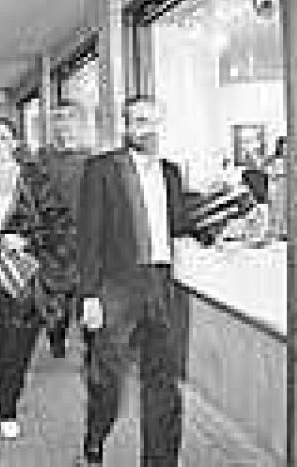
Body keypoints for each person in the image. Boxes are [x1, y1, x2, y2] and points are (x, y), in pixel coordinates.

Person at [77, 95, 193, 465]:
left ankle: (160, 459)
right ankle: (96, 432)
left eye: (154, 121)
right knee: (107, 377)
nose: (148, 129)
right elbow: (88, 236)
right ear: (126, 126)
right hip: (117, 284)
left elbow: (181, 224)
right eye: (140, 121)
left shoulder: (171, 172)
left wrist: (220, 229)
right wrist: (89, 295)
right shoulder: (102, 169)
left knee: (164, 378)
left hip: (162, 282)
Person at [0, 117, 77, 439]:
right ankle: (3, 389)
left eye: (2, 137)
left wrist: (27, 241)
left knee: (20, 338)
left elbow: (61, 225)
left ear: (14, 143)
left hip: (27, 271)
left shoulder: (34, 179)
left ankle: (7, 407)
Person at [38, 99, 87, 358]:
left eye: (70, 117)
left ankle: (92, 351)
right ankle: (57, 339)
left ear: (82, 122)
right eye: (59, 118)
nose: (64, 124)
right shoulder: (43, 159)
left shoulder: (95, 160)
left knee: (89, 298)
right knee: (56, 300)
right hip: (53, 241)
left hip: (87, 241)